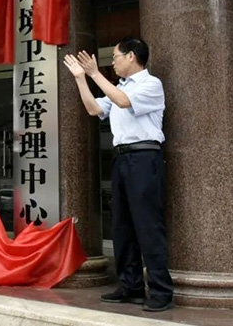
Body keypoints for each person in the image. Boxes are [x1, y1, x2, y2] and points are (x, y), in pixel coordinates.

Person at [62, 37, 174, 312]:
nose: (112, 61)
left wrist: (95, 73)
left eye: (115, 56)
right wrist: (80, 78)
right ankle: (130, 286)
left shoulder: (150, 84)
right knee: (122, 226)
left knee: (148, 225)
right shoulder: (119, 86)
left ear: (132, 56)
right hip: (122, 159)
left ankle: (160, 291)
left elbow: (123, 102)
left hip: (145, 157)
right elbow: (94, 108)